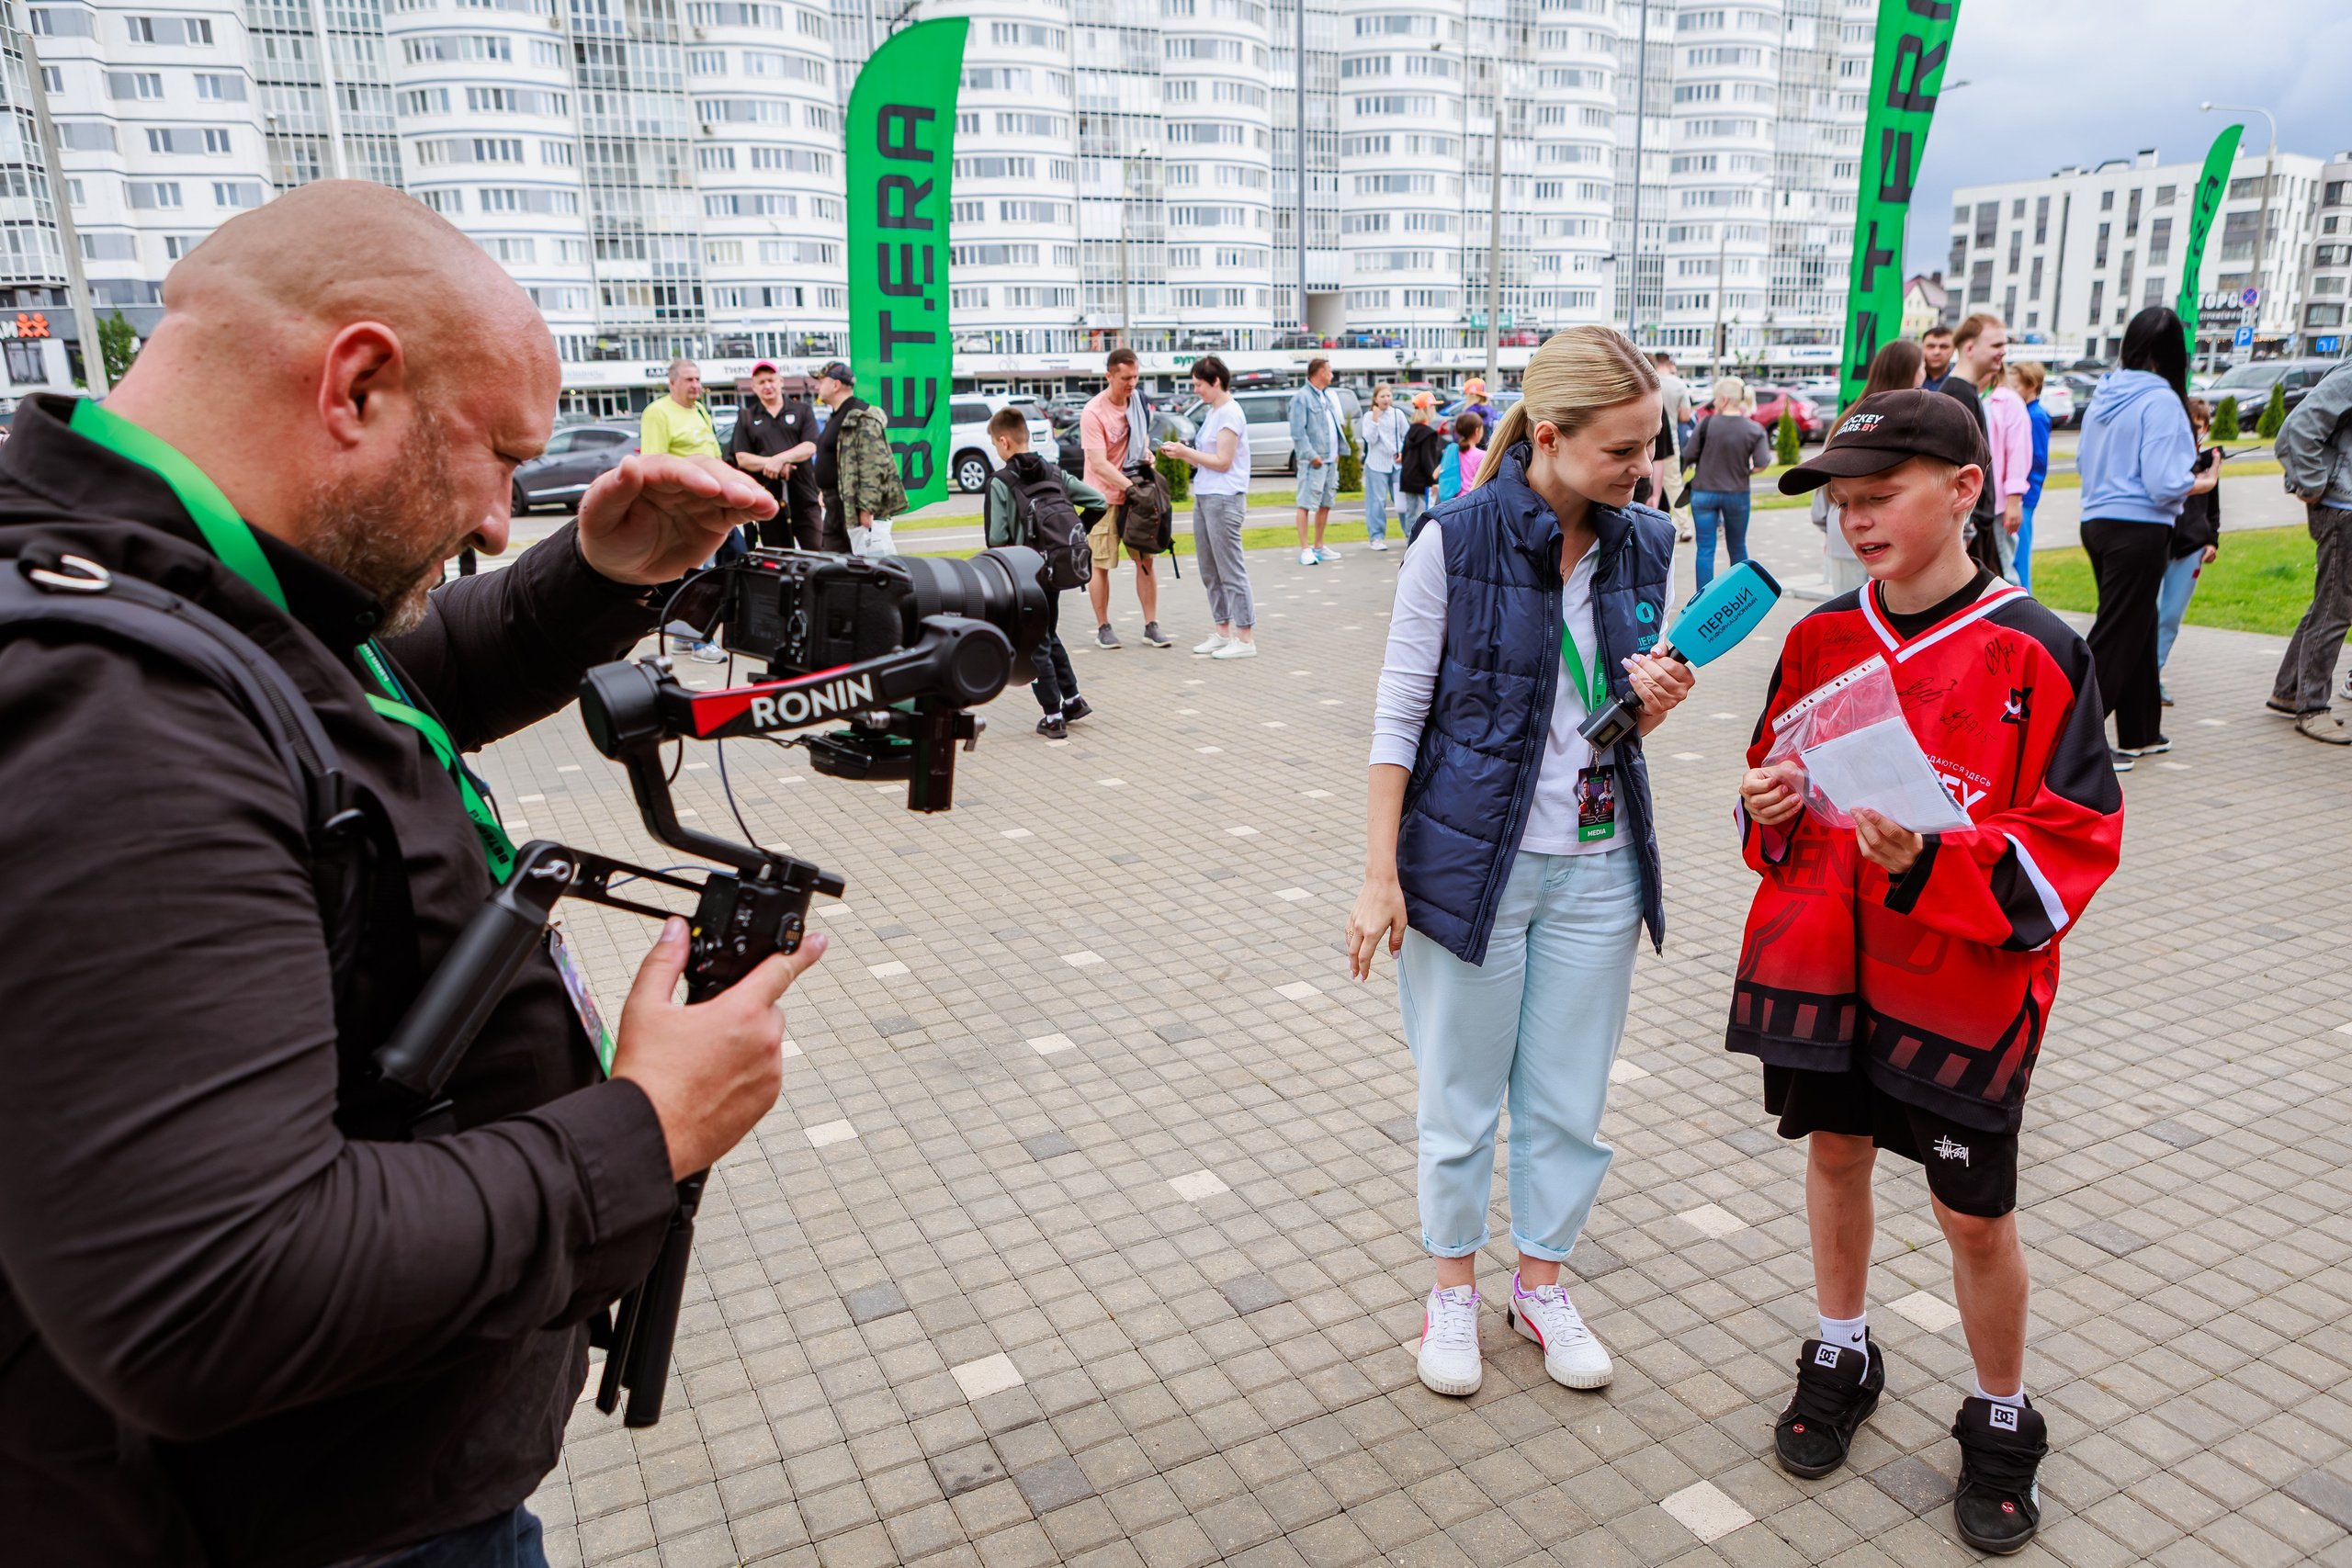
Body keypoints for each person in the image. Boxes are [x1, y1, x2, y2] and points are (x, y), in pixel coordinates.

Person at [0, 180, 812, 1565]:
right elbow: (213, 1292)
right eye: (498, 455)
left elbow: (360, 710)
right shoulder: (111, 710)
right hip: (314, 1531)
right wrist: (645, 1126)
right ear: (358, 385)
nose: (502, 519)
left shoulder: (186, 580)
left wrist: (600, 571)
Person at [1737, 389, 2122, 1558]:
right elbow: (1773, 790)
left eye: (1878, 497)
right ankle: (1841, 1346)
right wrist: (1765, 806)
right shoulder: (1818, 640)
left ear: (1963, 490)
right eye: (1840, 504)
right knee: (1837, 1156)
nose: (1855, 522)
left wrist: (1929, 863)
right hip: (1828, 969)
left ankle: (2002, 1414)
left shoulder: (2041, 649)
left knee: (1972, 1219)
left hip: (1960, 994)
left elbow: (2072, 851)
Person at [1345, 325, 1696, 1400]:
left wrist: (1652, 709)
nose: (1642, 469)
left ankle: (1539, 1283)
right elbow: (1399, 714)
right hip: (1468, 871)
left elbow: (1608, 717)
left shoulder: (1647, 542)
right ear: (1547, 436)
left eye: (1651, 445)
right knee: (1460, 1101)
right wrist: (1378, 873)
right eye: (1622, 449)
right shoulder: (1452, 540)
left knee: (1567, 1102)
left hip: (1598, 866)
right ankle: (1450, 1288)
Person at [2075, 306, 2218, 768]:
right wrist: (2203, 480)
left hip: (2097, 521)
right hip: (2139, 528)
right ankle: (2072, 742)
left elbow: (2082, 461)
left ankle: (2140, 730)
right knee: (2120, 631)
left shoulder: (2105, 392)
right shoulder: (2161, 401)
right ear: (2176, 353)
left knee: (2136, 624)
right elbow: (2162, 482)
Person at [984, 407, 1102, 737]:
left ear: (1004, 441)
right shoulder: (1054, 473)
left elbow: (996, 539)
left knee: (1034, 641)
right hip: (1055, 570)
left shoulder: (1001, 482)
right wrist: (1076, 532)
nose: (997, 448)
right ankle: (1074, 699)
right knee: (1047, 632)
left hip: (1023, 574)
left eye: (995, 443)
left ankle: (1053, 716)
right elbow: (1098, 501)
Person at [2267, 358, 2352, 741]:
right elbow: (2298, 428)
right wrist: (2315, 484)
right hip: (2342, 508)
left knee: (2330, 604)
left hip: (2341, 505)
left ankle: (2289, 692)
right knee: (2336, 610)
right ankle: (2312, 706)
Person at [1159, 355, 1257, 659]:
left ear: (1216, 382)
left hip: (1225, 498)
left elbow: (1224, 462)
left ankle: (1245, 638)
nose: (1197, 390)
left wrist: (1188, 451)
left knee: (1230, 569)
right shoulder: (1214, 412)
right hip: (1206, 496)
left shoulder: (1230, 413)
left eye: (1199, 384)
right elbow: (1208, 459)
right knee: (1210, 570)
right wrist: (1181, 454)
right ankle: (1222, 631)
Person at [1818, 342, 1928, 596]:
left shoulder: (1846, 419)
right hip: (1892, 542)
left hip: (1843, 541)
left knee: (1851, 622)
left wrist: (1831, 525)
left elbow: (1823, 494)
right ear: (1910, 370)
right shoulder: (1911, 424)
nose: (1924, 373)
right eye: (1921, 366)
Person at [1080, 347, 1168, 649]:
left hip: (1136, 497)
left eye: (1136, 376)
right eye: (1125, 378)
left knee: (1145, 561)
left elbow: (1140, 437)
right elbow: (1099, 463)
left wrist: (1145, 455)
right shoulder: (1093, 412)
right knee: (1100, 564)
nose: (1132, 383)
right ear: (1109, 376)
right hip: (1102, 498)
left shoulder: (1138, 401)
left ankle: (1151, 625)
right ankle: (1103, 627)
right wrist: (1129, 488)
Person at [2156, 398, 2222, 704]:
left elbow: (2212, 509)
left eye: (2197, 427)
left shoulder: (2207, 464)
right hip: (2159, 545)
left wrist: (2212, 541)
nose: (2191, 432)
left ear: (2205, 429)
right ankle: (2137, 675)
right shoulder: (2167, 458)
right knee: (2149, 612)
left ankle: (2153, 675)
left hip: (2192, 549)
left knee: (2170, 616)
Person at [1679, 377, 1772, 591]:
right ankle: (1741, 595)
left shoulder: (1706, 424)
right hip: (1736, 493)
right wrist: (1744, 471)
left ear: (1722, 399)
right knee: (1737, 546)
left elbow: (1689, 454)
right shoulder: (1754, 429)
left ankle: (1703, 600)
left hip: (1703, 492)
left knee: (1705, 548)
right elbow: (1762, 464)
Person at [1938, 314, 2013, 577]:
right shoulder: (1957, 395)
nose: (2003, 351)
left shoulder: (1965, 392)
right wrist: (1968, 529)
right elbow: (1955, 470)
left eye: (2004, 345)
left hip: (1976, 528)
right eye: (1995, 345)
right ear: (1969, 348)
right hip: (1970, 533)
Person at [811, 359, 905, 557]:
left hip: (853, 508)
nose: (816, 386)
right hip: (834, 505)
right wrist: (824, 489)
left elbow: (874, 465)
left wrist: (866, 508)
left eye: (821, 381)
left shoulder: (862, 416)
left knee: (865, 568)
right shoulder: (835, 417)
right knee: (831, 566)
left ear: (835, 384)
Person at [725, 360, 820, 550]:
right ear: (753, 386)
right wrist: (772, 463)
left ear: (781, 381)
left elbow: (810, 446)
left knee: (817, 556)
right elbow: (742, 458)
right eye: (761, 382)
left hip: (804, 497)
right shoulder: (747, 416)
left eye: (771, 380)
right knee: (778, 560)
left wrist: (781, 459)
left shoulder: (802, 410)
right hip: (768, 501)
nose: (767, 386)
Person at [1289, 356, 1345, 564]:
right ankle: (1305, 549)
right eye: (1329, 370)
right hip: (1313, 462)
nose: (1332, 374)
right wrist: (1312, 456)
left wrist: (1337, 450)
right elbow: (1297, 433)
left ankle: (1318, 546)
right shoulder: (1301, 398)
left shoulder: (1326, 396)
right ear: (1320, 372)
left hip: (1330, 461)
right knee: (1305, 503)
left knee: (1326, 503)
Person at [2008, 359, 2053, 592]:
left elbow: (2036, 459)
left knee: (2019, 557)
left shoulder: (2035, 416)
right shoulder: (2026, 413)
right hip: (2022, 495)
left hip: (2024, 497)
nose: (2011, 391)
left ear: (2032, 385)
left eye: (2015, 386)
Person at [1359, 382, 1408, 552]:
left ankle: (1410, 533)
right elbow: (1370, 439)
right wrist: (1375, 418)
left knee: (1402, 501)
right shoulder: (1368, 417)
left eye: (1388, 395)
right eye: (1382, 396)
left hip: (1397, 464)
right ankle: (1376, 537)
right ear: (1375, 399)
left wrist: (1402, 452)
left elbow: (1406, 436)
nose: (1386, 399)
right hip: (1376, 465)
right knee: (1377, 502)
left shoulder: (1398, 414)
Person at [1652, 351, 1695, 543]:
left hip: (1646, 441)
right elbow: (1685, 417)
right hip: (1670, 443)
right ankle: (1684, 526)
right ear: (1669, 363)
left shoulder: (1648, 380)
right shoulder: (1678, 385)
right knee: (1673, 483)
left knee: (1646, 486)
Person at [1399, 393, 1445, 536]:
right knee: (1428, 513)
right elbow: (1427, 460)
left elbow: (1405, 455)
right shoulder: (1429, 433)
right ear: (1428, 408)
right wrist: (1433, 481)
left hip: (1408, 478)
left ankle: (1409, 541)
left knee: (1410, 514)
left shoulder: (1411, 430)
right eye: (1433, 407)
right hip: (1423, 480)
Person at [1436, 410, 1485, 502]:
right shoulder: (1481, 456)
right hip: (1470, 503)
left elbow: (1435, 474)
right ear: (1477, 431)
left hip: (1450, 504)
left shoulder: (1451, 450)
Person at [1918, 322, 1955, 392]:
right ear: (1922, 348)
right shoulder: (1909, 380)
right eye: (1931, 346)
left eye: (1944, 347)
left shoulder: (1959, 383)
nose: (1936, 352)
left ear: (1954, 349)